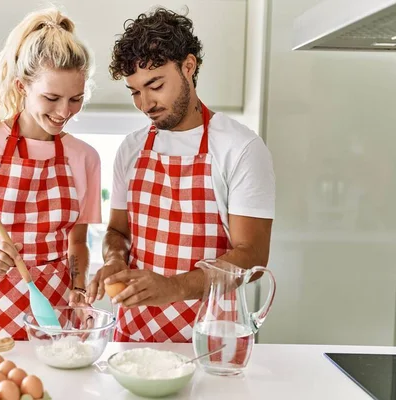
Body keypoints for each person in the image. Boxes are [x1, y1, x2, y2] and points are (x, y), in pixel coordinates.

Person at [86, 7, 275, 342]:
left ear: (189, 66)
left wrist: (173, 287)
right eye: (134, 92)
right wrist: (115, 259)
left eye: (155, 85)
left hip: (213, 339)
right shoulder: (131, 149)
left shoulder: (240, 148)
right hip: (135, 341)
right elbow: (117, 231)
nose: (145, 104)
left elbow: (252, 256)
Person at [0, 8, 101, 340]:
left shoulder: (85, 158)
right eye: (51, 98)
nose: (63, 112)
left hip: (53, 319)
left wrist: (79, 287)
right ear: (21, 86)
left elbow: (77, 242)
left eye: (76, 99)